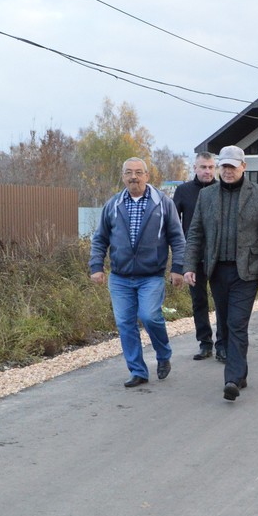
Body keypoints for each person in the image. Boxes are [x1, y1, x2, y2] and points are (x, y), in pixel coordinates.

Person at [183, 145, 258, 402]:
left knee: (237, 323)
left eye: (232, 167)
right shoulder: (207, 196)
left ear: (243, 167)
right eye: (224, 166)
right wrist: (189, 265)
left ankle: (232, 379)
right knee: (225, 321)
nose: (227, 171)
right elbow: (195, 233)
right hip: (216, 270)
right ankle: (241, 372)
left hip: (246, 271)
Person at [89, 157, 186, 388]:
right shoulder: (113, 205)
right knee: (125, 323)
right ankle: (138, 370)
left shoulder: (162, 203)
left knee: (150, 316)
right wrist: (96, 267)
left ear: (147, 176)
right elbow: (100, 238)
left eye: (138, 172)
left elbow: (177, 238)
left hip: (151, 275)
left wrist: (178, 269)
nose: (134, 177)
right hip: (120, 277)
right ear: (123, 176)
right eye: (129, 172)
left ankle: (163, 354)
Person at [172, 151, 224, 361]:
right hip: (194, 257)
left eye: (211, 167)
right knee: (199, 301)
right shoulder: (183, 191)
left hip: (220, 256)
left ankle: (223, 344)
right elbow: (173, 226)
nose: (207, 171)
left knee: (222, 302)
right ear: (195, 168)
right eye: (203, 167)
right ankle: (205, 343)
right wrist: (179, 262)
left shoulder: (223, 189)